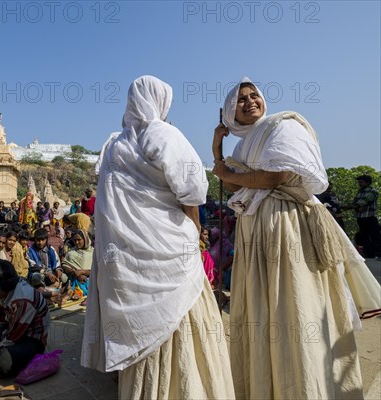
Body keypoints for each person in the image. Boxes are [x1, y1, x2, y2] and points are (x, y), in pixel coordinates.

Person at [211, 77, 373, 398]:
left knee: (293, 302)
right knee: (263, 307)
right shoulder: (243, 145)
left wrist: (228, 172)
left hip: (286, 226)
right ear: (231, 114)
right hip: (256, 230)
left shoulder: (282, 125)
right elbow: (233, 184)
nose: (250, 102)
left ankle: (305, 385)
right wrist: (218, 145)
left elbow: (278, 174)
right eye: (240, 100)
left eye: (253, 95)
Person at [81, 76, 234, 399]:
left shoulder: (113, 145)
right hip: (169, 252)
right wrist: (193, 236)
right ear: (161, 102)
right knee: (181, 324)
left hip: (123, 257)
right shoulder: (162, 133)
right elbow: (192, 191)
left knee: (140, 329)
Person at [0, 260, 50, 384]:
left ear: (4, 285)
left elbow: (12, 338)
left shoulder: (23, 300)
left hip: (30, 340)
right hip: (11, 332)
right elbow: (0, 322)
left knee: (4, 359)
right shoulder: (3, 294)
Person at [344, 175, 381, 259]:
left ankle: (379, 254)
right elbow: (356, 203)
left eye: (361, 182)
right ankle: (369, 254)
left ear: (367, 182)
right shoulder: (360, 191)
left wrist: (350, 207)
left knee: (375, 236)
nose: (359, 184)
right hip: (361, 218)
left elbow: (362, 202)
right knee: (365, 236)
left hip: (369, 218)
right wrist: (354, 206)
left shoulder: (372, 191)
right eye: (359, 182)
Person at [60, 230, 93, 302]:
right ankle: (72, 292)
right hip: (74, 277)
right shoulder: (71, 252)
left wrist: (82, 271)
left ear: (85, 239)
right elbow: (64, 265)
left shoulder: (93, 252)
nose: (77, 242)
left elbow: (96, 270)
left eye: (79, 240)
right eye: (75, 240)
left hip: (89, 278)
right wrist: (76, 273)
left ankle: (74, 292)